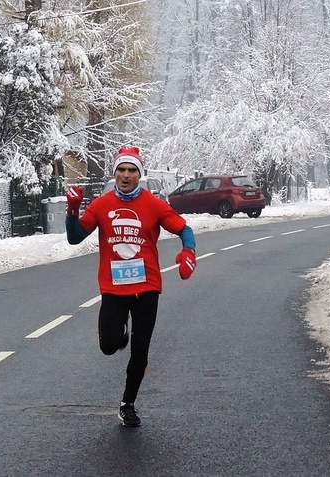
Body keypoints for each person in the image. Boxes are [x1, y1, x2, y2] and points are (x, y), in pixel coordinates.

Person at [65, 146, 197, 427]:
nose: (126, 176)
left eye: (131, 170)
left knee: (141, 350)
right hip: (113, 288)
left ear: (139, 174)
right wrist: (73, 211)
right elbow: (75, 238)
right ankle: (119, 334)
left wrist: (189, 252)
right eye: (121, 170)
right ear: (115, 174)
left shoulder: (153, 204)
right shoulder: (102, 205)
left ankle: (128, 404)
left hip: (147, 286)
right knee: (109, 346)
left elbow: (184, 229)